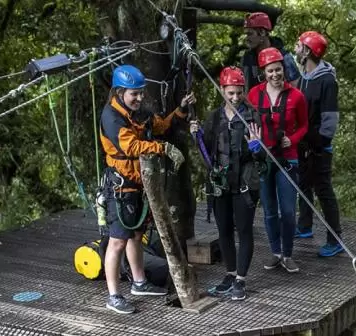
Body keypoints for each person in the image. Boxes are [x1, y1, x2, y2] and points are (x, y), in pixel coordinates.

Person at [99, 64, 193, 314]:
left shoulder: (139, 113)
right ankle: (113, 295)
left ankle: (139, 282)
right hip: (120, 186)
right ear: (120, 92)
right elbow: (130, 146)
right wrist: (162, 149)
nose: (140, 98)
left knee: (134, 235)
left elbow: (160, 126)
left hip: (139, 184)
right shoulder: (112, 116)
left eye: (141, 93)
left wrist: (180, 110)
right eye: (134, 93)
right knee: (118, 240)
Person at [195, 67, 262, 302]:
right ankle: (230, 274)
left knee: (243, 230)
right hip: (221, 183)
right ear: (222, 90)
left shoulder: (252, 116)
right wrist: (198, 137)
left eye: (239, 93)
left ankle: (241, 279)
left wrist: (257, 148)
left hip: (244, 183)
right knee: (223, 229)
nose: (235, 98)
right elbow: (208, 154)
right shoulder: (214, 117)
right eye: (231, 93)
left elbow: (263, 160)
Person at [248, 48, 307, 274]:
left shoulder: (296, 96)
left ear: (284, 69)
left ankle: (288, 253)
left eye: (278, 69)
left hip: (287, 158)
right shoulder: (254, 94)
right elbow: (247, 120)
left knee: (289, 210)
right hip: (263, 159)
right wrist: (253, 141)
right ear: (264, 72)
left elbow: (304, 125)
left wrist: (291, 140)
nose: (275, 74)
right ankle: (275, 252)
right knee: (270, 209)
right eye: (271, 70)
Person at [293, 30, 343, 258]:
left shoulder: (327, 81)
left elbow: (330, 118)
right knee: (303, 185)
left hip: (319, 146)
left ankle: (335, 239)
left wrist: (320, 144)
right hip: (304, 143)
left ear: (308, 51)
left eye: (299, 45)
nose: (296, 48)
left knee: (323, 191)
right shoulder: (304, 76)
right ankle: (304, 226)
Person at [240, 12, 299, 90]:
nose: (247, 38)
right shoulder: (247, 58)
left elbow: (296, 87)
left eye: (250, 34)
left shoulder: (284, 57)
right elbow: (244, 88)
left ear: (262, 32)